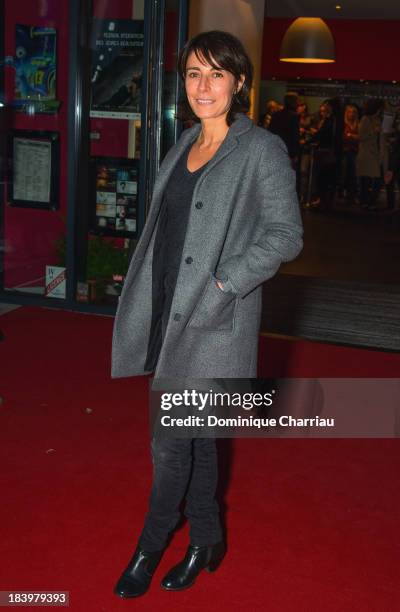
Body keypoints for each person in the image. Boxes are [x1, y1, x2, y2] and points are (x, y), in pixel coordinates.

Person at [111, 30, 303, 599]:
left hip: (214, 322)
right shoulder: (181, 144)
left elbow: (285, 235)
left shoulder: (260, 150)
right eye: (194, 73)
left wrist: (225, 282)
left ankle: (149, 546)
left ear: (238, 82)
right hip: (168, 315)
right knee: (194, 440)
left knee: (169, 441)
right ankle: (207, 539)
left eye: (216, 73)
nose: (203, 85)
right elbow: (168, 231)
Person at [356, 98, 384, 210]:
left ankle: (369, 201)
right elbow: (361, 136)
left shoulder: (376, 119)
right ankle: (365, 201)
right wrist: (374, 132)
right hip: (367, 154)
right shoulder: (365, 119)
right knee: (366, 180)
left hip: (374, 154)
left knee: (372, 179)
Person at [268, 91, 300, 166]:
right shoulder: (294, 116)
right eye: (297, 101)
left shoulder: (276, 115)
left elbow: (270, 132)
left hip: (275, 149)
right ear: (293, 102)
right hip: (288, 150)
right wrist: (294, 154)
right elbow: (294, 136)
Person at [342, 104, 360, 201]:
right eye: (349, 112)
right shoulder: (343, 124)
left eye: (353, 112)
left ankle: (353, 194)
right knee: (346, 173)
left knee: (354, 174)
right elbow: (343, 138)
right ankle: (345, 192)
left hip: (355, 152)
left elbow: (360, 138)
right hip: (345, 151)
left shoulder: (358, 124)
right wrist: (353, 136)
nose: (351, 114)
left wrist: (352, 136)